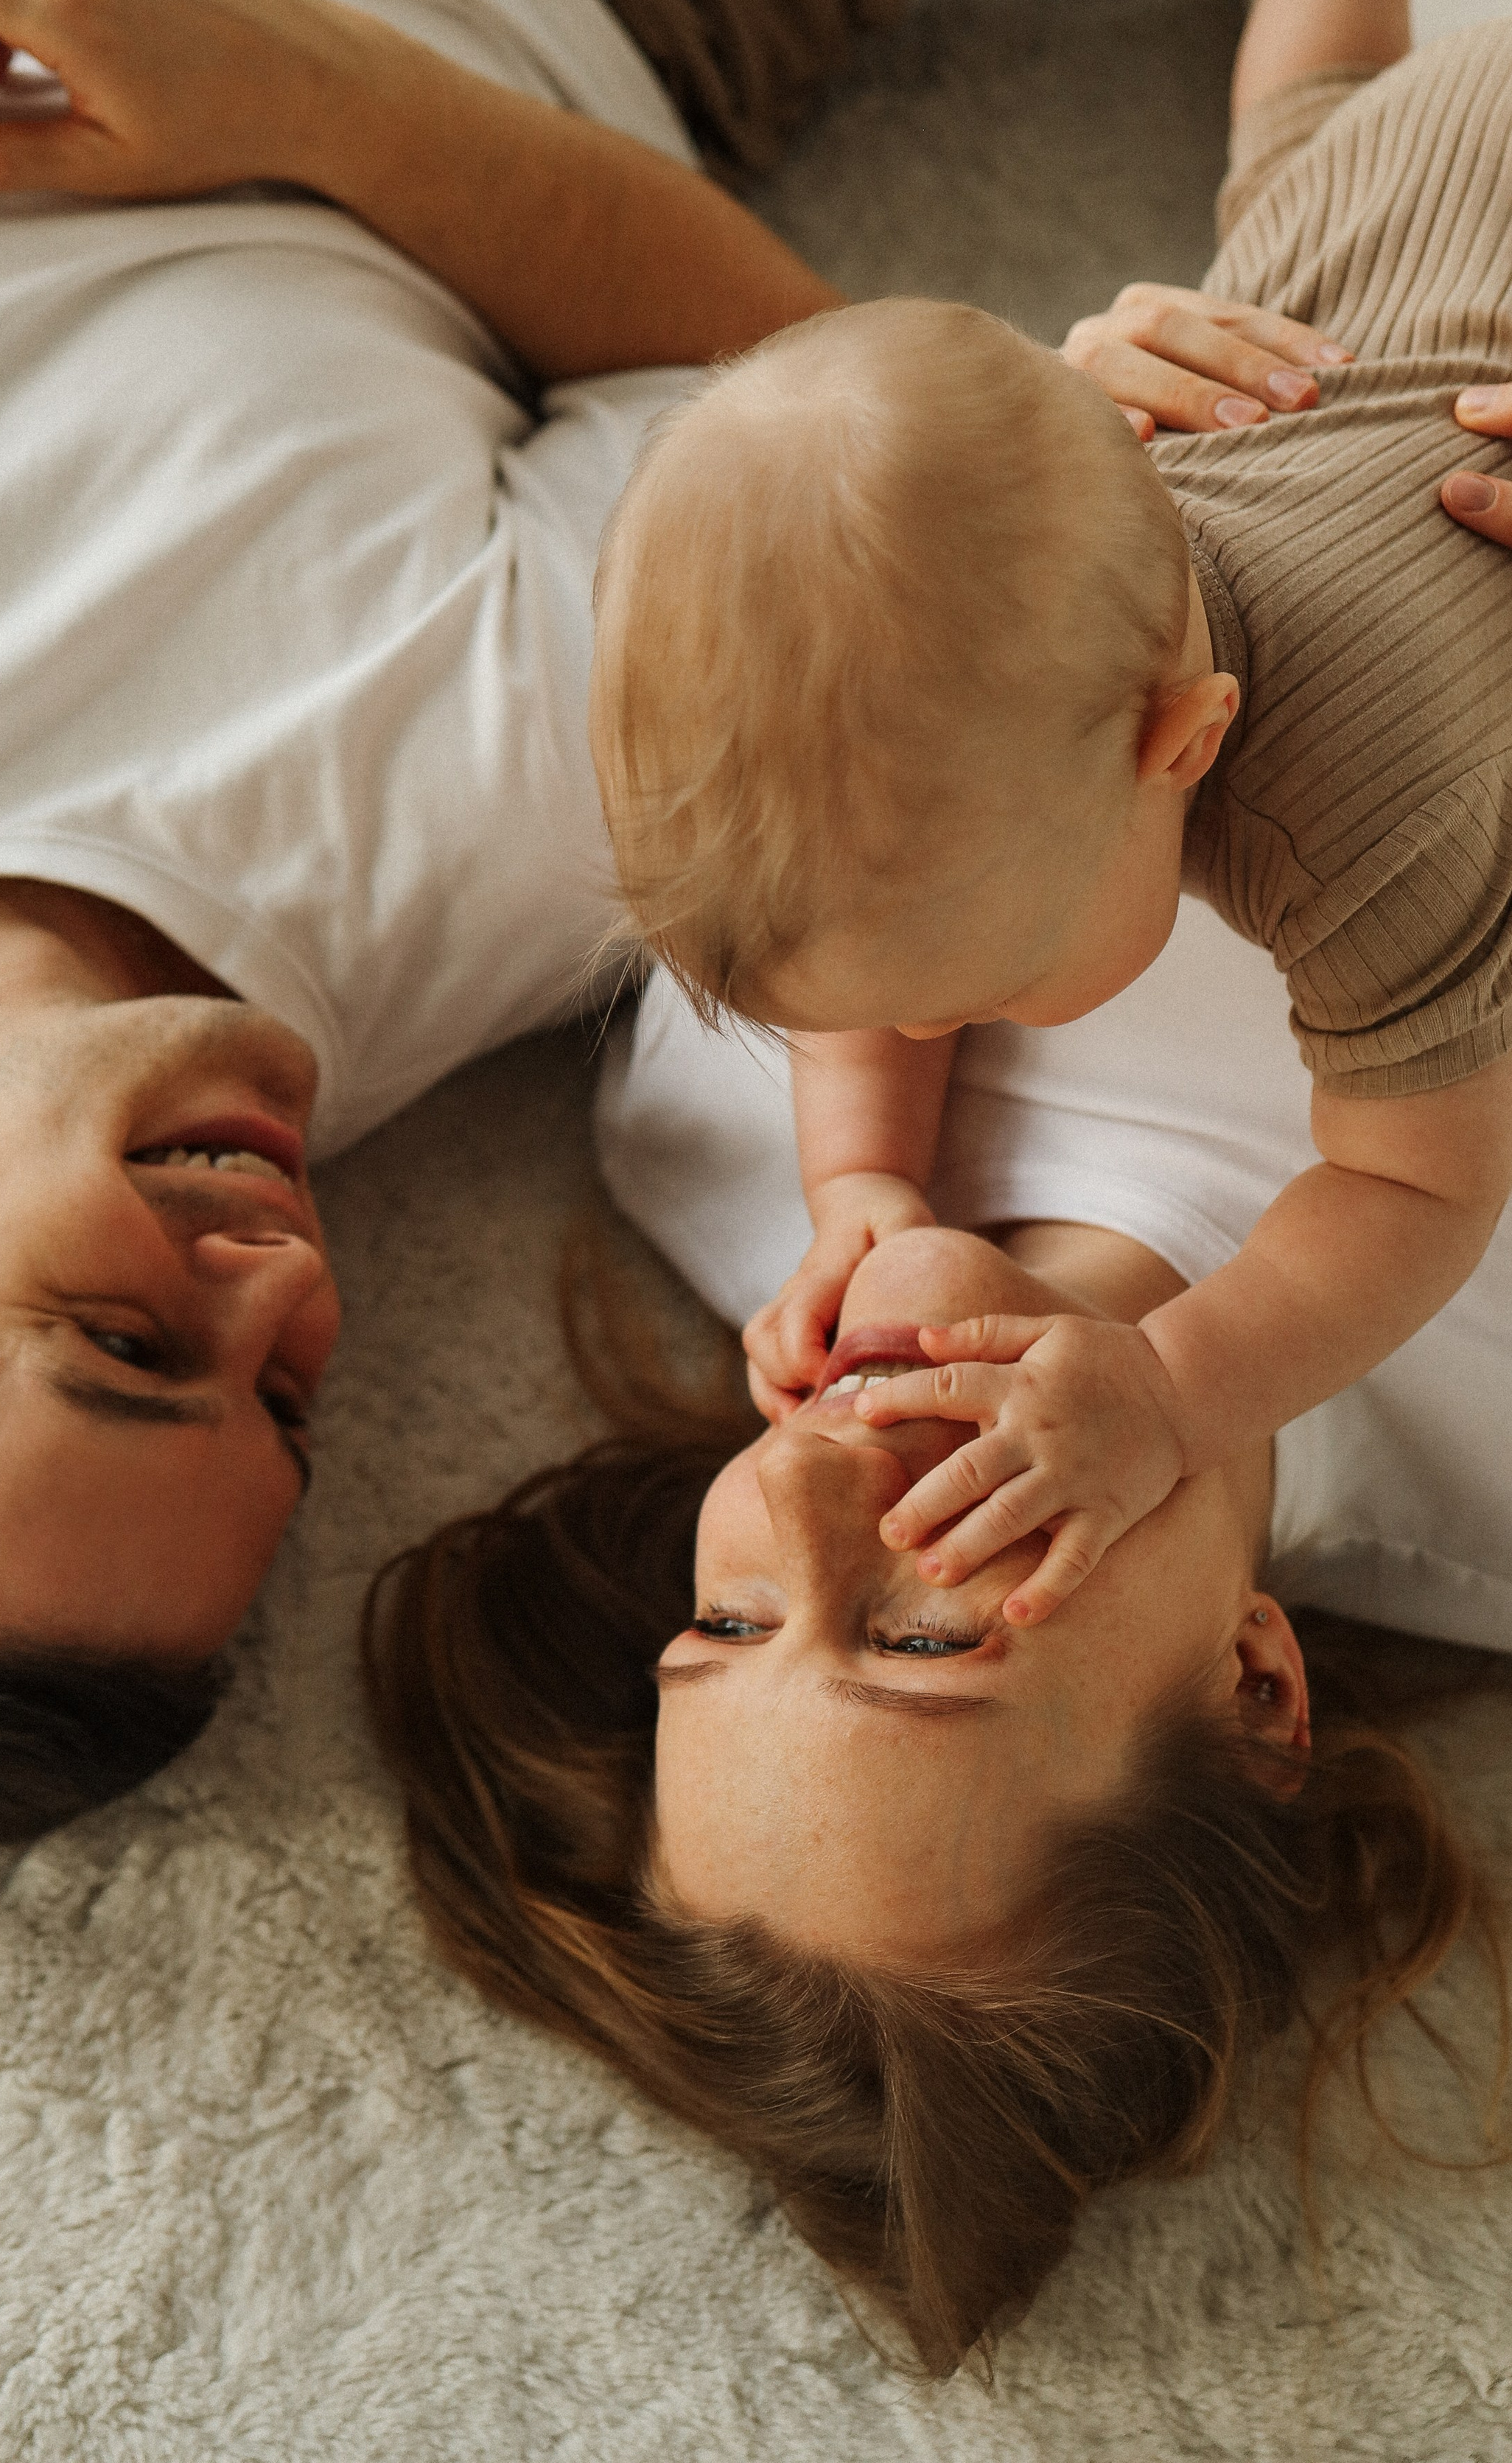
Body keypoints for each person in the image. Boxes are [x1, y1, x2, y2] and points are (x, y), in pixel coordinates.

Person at [0, 0, 1312, 1845]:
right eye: (286, 1400)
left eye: (129, 1346)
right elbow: (831, 420)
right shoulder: (514, 873)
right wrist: (310, 90)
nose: (286, 1284)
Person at [589, 0, 1512, 1628]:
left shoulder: (1358, 817)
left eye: (974, 993)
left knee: (1291, 190)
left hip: (1432, 284)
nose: (936, 1035)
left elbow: (1412, 1191)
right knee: (1292, 174)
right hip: (1395, 202)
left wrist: (1170, 1390)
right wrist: (858, 1174)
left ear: (1184, 740)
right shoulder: (1077, 518)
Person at [365, 895, 1512, 2378]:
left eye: (727, 1619)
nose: (795, 1488)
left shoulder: (710, 1119)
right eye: (920, 1644)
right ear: (1249, 1690)